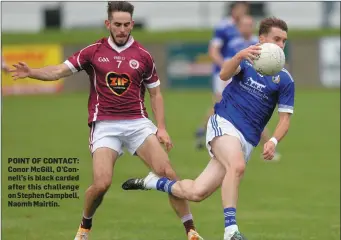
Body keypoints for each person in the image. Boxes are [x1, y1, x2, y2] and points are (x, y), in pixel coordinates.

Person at [9, 2, 203, 240]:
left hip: (137, 124)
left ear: (132, 24)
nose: (122, 29)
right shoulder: (93, 51)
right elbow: (59, 71)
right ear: (108, 24)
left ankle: (191, 231)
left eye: (126, 25)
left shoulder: (143, 56)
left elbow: (156, 93)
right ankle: (84, 227)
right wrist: (32, 72)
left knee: (168, 174)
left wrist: (161, 128)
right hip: (105, 125)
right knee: (102, 184)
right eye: (117, 24)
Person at [122, 17, 295, 240]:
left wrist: (273, 141)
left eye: (284, 41)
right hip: (223, 122)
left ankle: (153, 182)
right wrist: (240, 55)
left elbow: (285, 120)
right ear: (262, 39)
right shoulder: (245, 60)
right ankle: (231, 231)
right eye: (277, 39)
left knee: (197, 192)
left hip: (247, 140)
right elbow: (223, 74)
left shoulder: (285, 80)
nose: (281, 45)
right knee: (237, 165)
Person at [227, 15, 282, 161]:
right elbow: (229, 63)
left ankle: (267, 146)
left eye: (249, 25)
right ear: (239, 27)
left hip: (254, 83)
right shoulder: (234, 43)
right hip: (234, 77)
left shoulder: (258, 44)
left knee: (254, 116)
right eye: (244, 25)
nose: (246, 28)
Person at [195, 2, 249, 149]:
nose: (243, 11)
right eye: (240, 8)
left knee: (227, 102)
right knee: (220, 102)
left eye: (245, 9)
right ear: (233, 10)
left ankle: (204, 130)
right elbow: (213, 50)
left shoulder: (243, 27)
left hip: (236, 71)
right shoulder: (224, 27)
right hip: (224, 72)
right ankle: (206, 131)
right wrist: (224, 66)